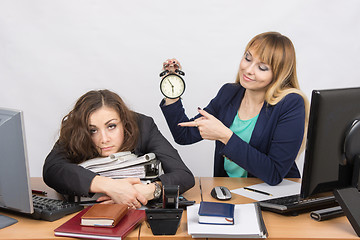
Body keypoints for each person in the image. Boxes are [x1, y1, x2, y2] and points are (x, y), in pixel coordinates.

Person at [160, 31, 309, 186]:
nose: (249, 69)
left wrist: (225, 135)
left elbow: (274, 174)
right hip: (232, 190)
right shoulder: (229, 93)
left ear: (278, 74)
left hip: (273, 196)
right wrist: (172, 89)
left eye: (262, 67)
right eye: (248, 58)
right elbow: (184, 135)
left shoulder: (290, 103)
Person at [43, 89, 195, 209]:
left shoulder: (143, 125)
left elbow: (184, 175)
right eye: (92, 130)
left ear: (124, 122)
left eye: (111, 126)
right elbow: (52, 169)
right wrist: (111, 187)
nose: (104, 139)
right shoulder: (75, 129)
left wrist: (146, 191)